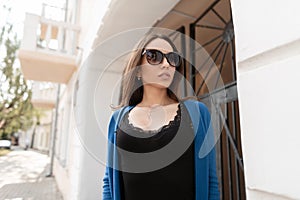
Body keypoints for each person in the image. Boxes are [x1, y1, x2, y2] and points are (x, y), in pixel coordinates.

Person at [102, 33, 220, 200]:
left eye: (172, 58)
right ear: (138, 69)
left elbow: (211, 181)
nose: (166, 64)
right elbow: (109, 182)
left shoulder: (197, 113)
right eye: (154, 56)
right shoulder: (117, 120)